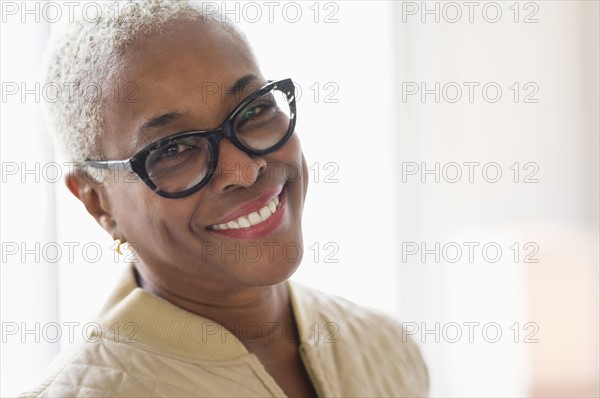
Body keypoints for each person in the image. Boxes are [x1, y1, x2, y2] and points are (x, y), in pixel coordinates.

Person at [21, 1, 429, 396]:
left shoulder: (387, 348)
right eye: (173, 149)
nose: (244, 170)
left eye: (253, 111)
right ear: (97, 202)